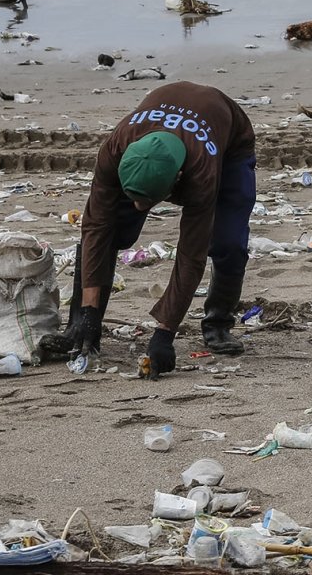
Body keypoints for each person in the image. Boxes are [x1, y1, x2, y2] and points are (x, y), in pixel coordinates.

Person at [45, 82, 256, 376]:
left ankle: (218, 323)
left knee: (228, 242)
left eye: (149, 202)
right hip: (160, 130)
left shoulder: (201, 172)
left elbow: (190, 255)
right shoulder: (115, 148)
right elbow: (95, 227)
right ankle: (80, 327)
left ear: (178, 181)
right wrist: (89, 313)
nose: (140, 208)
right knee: (112, 229)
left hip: (230, 143)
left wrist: (165, 333)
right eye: (135, 198)